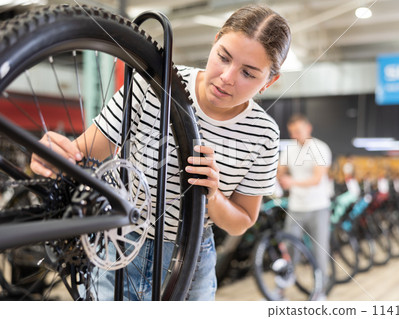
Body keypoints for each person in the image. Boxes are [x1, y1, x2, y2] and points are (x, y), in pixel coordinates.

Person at [30, 4, 291, 300]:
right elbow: (85, 151)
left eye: (248, 73)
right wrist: (54, 155)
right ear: (216, 40)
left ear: (270, 81)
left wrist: (214, 195)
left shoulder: (263, 133)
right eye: (223, 57)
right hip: (120, 243)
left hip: (190, 257)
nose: (227, 77)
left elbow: (242, 220)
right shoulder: (153, 82)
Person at [277, 114, 332, 300]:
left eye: (298, 131)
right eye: (292, 132)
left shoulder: (320, 148)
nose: (295, 135)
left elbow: (317, 179)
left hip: (318, 207)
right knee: (288, 250)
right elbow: (280, 171)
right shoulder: (289, 150)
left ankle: (320, 293)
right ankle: (280, 292)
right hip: (295, 208)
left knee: (319, 252)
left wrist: (291, 181)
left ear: (308, 128)